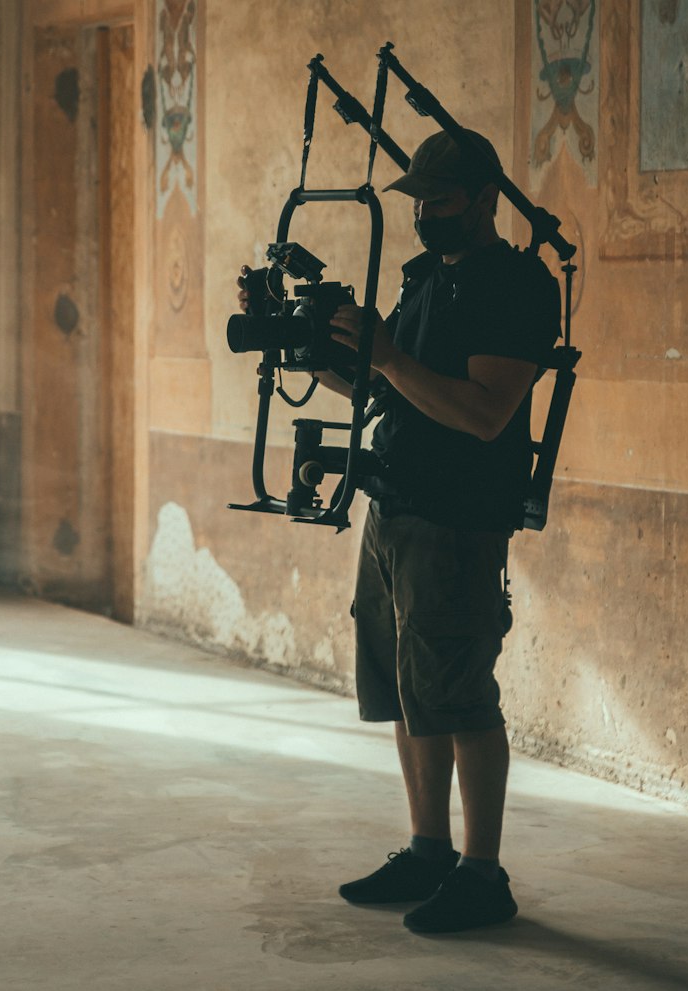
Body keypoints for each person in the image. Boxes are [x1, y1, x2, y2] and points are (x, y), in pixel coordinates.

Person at [237, 129, 561, 933]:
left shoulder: (516, 287)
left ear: (486, 198)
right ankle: (428, 851)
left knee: (459, 695)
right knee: (410, 697)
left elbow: (485, 414)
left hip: (456, 518)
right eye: (416, 202)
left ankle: (484, 874)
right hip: (393, 503)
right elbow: (374, 383)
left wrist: (386, 358)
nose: (424, 217)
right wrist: (301, 340)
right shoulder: (426, 279)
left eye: (441, 202)